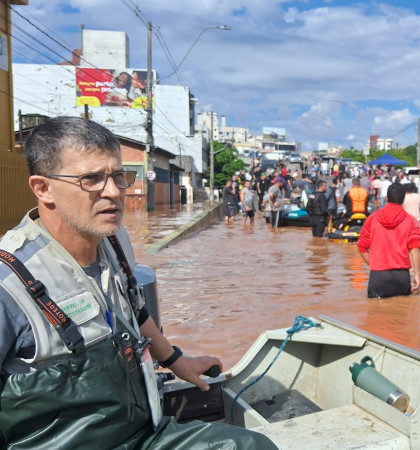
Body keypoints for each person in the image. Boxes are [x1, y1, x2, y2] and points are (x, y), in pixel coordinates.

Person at [0, 117, 275, 449]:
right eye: (91, 179)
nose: (114, 192)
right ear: (43, 188)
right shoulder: (9, 281)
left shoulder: (115, 241)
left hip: (144, 434)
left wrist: (176, 361)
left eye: (118, 176)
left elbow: (135, 310)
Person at [357, 183, 420, 298]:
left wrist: (374, 265)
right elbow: (415, 247)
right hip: (401, 276)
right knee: (402, 311)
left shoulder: (372, 218)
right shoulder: (411, 220)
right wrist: (416, 274)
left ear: (386, 199)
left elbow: (362, 247)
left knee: (375, 313)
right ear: (403, 200)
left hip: (378, 276)